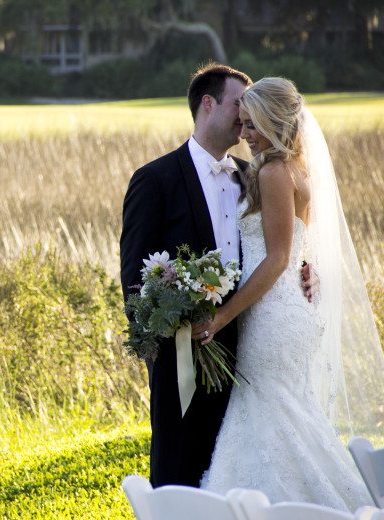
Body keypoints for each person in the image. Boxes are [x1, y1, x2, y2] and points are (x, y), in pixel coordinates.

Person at [194, 77, 384, 519]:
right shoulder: (294, 170)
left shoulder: (272, 173)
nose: (245, 134)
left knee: (271, 416)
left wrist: (219, 318)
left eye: (253, 126)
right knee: (289, 418)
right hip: (284, 312)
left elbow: (275, 261)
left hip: (271, 316)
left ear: (274, 123)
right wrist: (307, 271)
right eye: (243, 123)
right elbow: (296, 253)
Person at [120, 64, 316, 488]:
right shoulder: (154, 180)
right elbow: (135, 278)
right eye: (236, 105)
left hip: (249, 344)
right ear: (207, 105)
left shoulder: (256, 175)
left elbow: (276, 248)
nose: (243, 118)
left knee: (238, 467)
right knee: (178, 469)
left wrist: (303, 269)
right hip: (184, 353)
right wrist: (168, 333)